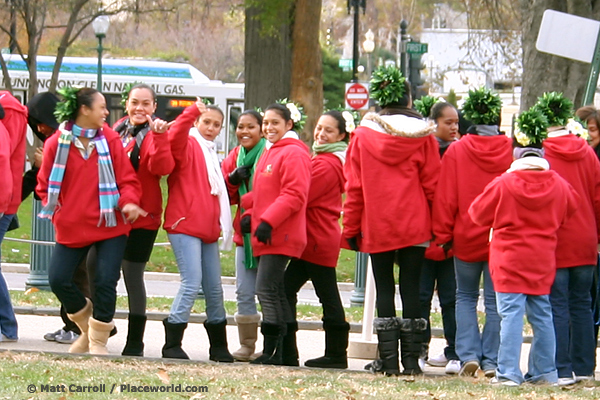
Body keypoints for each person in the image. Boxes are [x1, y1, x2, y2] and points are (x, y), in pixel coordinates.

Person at [469, 108, 579, 386]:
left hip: (509, 257)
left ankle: (508, 372)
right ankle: (545, 372)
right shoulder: (559, 183)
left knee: (511, 316)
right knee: (542, 314)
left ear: (517, 155)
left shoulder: (504, 183)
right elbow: (572, 209)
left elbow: (477, 214)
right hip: (542, 257)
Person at [343, 65, 440, 376]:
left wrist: (351, 227)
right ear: (409, 101)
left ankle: (387, 361)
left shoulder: (362, 136)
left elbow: (354, 186)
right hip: (415, 221)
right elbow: (432, 186)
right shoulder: (424, 137)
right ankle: (412, 361)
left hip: (378, 221)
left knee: (384, 286)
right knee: (412, 287)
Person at [36, 86, 145, 355]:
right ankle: (87, 328)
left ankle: (98, 342)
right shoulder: (54, 144)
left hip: (111, 224)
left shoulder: (109, 140)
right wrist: (61, 208)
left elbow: (127, 179)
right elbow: (44, 185)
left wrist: (129, 201)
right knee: (59, 279)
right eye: (102, 107)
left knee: (105, 280)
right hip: (73, 225)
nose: (107, 112)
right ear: (84, 110)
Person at [432, 86, 510, 377]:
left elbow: (446, 198)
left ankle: (468, 355)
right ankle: (491, 359)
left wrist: (442, 235)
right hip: (499, 236)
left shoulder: (456, 151)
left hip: (465, 233)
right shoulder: (510, 149)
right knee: (494, 300)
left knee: (464, 296)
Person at [160, 100, 233, 362]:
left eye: (217, 125)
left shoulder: (213, 153)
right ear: (197, 123)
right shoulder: (187, 143)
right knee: (191, 283)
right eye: (207, 122)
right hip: (184, 225)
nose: (211, 128)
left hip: (207, 229)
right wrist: (191, 111)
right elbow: (175, 134)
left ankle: (219, 346)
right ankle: (172, 344)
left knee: (214, 288)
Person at [536, 92, 600, 385]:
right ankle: (585, 366)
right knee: (582, 303)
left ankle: (561, 368)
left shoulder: (543, 155)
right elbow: (598, 198)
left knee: (557, 305)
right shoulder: (587, 152)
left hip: (556, 238)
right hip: (586, 237)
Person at [240, 102, 311, 365]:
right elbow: (264, 192)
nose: (269, 127)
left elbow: (294, 194)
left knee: (266, 290)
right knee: (275, 291)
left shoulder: (293, 153)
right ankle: (284, 353)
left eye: (275, 123)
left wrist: (268, 221)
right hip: (268, 232)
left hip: (281, 233)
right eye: (266, 123)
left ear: (288, 125)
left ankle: (272, 350)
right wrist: (250, 215)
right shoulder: (273, 152)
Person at [283, 110, 351, 368]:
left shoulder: (327, 163)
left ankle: (332, 353)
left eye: (329, 130)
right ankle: (295, 350)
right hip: (316, 236)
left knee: (321, 294)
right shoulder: (324, 158)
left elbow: (302, 194)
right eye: (319, 127)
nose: (321, 133)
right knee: (289, 289)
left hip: (317, 238)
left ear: (341, 135)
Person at [418, 101, 461, 374]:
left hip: (450, 237)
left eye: (457, 122)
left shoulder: (459, 151)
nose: (455, 127)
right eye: (449, 122)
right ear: (433, 123)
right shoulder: (424, 149)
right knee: (421, 296)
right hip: (424, 235)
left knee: (450, 297)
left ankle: (455, 351)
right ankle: (419, 347)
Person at [221, 110, 266, 362]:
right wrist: (232, 179)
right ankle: (247, 345)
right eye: (240, 127)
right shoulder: (234, 156)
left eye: (251, 127)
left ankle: (273, 344)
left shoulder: (268, 154)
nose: (244, 132)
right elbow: (223, 196)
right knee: (243, 291)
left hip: (267, 232)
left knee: (268, 291)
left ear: (261, 130)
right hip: (244, 235)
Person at [0, 91, 28, 342]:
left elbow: (5, 160)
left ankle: (7, 327)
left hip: (3, 201)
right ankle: (6, 326)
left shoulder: (9, 110)